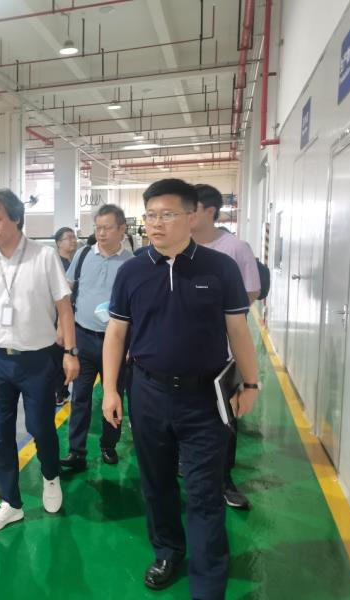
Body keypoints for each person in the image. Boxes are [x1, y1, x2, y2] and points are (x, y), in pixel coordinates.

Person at [102, 179, 259, 599]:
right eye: (151, 215)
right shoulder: (132, 271)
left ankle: (208, 582)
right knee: (156, 483)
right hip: (147, 393)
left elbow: (238, 329)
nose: (156, 223)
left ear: (191, 217)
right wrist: (111, 390)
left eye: (167, 215)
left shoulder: (219, 268)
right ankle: (168, 552)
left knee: (205, 492)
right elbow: (116, 333)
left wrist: (252, 382)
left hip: (205, 398)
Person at [0, 188, 79, 533]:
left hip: (38, 360)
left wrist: (70, 352)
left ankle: (51, 476)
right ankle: (10, 503)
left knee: (40, 426)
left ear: (16, 218)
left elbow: (64, 307)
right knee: (0, 433)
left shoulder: (43, 257)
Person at [193, 183, 261, 510]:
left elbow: (251, 292)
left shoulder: (235, 249)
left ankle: (224, 480)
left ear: (209, 211)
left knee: (224, 418)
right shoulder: (180, 246)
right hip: (184, 355)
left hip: (223, 354)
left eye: (190, 209)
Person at [60, 205, 133, 471]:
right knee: (80, 396)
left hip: (117, 343)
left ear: (122, 229)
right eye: (98, 228)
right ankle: (76, 451)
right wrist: (63, 331)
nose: (101, 233)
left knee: (114, 394)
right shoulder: (82, 256)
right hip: (84, 337)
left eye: (107, 228)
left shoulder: (131, 264)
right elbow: (66, 293)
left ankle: (108, 445)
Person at [53, 226, 77, 406]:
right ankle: (59, 392)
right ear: (59, 243)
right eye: (69, 238)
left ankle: (64, 389)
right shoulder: (56, 264)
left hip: (76, 314)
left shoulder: (77, 261)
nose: (73, 240)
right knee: (59, 353)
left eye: (74, 237)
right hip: (58, 316)